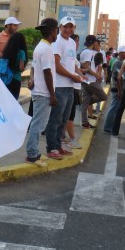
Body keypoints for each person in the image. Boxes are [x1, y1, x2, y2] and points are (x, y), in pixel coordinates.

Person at [44, 16, 84, 159]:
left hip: (70, 87)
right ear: (59, 27)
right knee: (55, 120)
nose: (67, 29)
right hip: (59, 87)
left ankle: (58, 146)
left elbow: (71, 63)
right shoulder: (58, 42)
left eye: (70, 27)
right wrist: (72, 76)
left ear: (74, 28)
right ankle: (51, 148)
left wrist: (79, 74)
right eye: (64, 27)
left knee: (64, 119)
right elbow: (56, 65)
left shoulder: (72, 42)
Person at [24, 18, 59, 167]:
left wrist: (31, 79)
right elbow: (47, 73)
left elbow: (33, 67)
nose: (57, 32)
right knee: (37, 126)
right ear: (52, 31)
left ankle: (34, 152)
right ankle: (31, 154)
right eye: (57, 29)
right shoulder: (46, 49)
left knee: (37, 124)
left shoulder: (40, 47)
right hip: (43, 93)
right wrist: (52, 95)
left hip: (39, 91)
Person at [79, 35, 108, 129]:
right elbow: (86, 67)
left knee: (86, 101)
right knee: (103, 96)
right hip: (90, 80)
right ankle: (85, 105)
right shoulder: (88, 52)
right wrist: (97, 75)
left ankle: (84, 122)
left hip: (86, 80)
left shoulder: (85, 51)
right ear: (94, 43)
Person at [103, 45, 125, 134]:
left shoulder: (120, 62)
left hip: (118, 88)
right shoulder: (118, 63)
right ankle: (107, 128)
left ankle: (110, 127)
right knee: (113, 109)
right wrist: (120, 90)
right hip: (117, 88)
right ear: (121, 53)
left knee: (115, 109)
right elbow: (117, 78)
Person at [64, 34, 85, 147]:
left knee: (68, 115)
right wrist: (77, 76)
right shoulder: (67, 55)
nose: (77, 44)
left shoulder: (73, 58)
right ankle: (72, 139)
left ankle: (63, 136)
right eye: (76, 41)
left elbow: (76, 69)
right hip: (70, 87)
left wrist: (82, 75)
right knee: (69, 115)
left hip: (74, 87)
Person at [0, 31, 28, 100]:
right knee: (13, 101)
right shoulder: (21, 52)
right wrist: (24, 69)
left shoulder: (7, 51)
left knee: (5, 100)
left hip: (6, 78)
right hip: (16, 79)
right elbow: (21, 68)